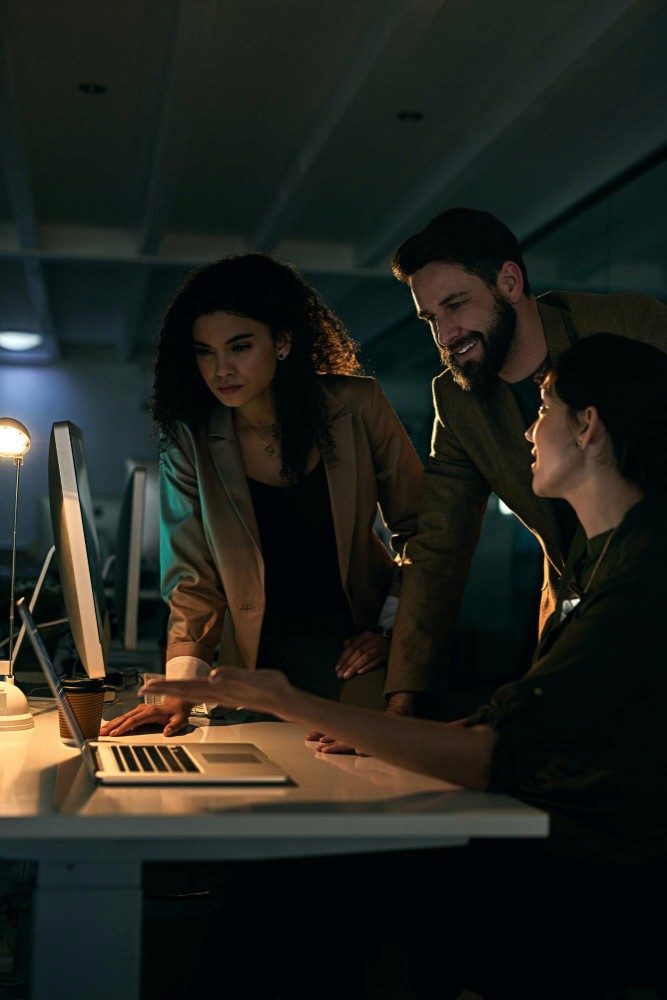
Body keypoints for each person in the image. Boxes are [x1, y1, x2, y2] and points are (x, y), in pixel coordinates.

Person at [143, 334, 667, 996]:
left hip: (599, 880)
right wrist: (368, 731)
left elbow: (490, 753)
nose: (530, 431)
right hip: (566, 843)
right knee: (295, 875)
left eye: (543, 408)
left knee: (299, 883)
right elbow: (521, 725)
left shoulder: (643, 572)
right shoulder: (604, 555)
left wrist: (291, 701)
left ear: (587, 425)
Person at [102, 251, 423, 738]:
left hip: (353, 640)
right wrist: (180, 692)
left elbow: (423, 531)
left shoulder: (357, 405)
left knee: (382, 747)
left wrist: (391, 631)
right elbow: (193, 581)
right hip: (252, 652)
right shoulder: (189, 436)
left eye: (240, 346)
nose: (221, 368)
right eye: (205, 351)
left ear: (284, 342)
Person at [376, 206, 667, 723]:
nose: (444, 335)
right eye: (430, 319)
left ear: (509, 281)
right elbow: (439, 547)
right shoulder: (458, 399)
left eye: (456, 305)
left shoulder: (629, 326)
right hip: (571, 625)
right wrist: (404, 700)